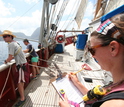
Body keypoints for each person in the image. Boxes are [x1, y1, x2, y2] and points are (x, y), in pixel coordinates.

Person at [59, 13, 124, 107]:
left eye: (92, 50)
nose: (92, 56)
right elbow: (97, 99)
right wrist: (77, 82)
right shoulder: (118, 84)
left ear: (113, 48)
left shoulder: (116, 104)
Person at [0, 30, 29, 107]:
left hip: (21, 65)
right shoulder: (16, 42)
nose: (4, 38)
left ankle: (23, 98)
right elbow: (15, 55)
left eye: (5, 36)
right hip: (24, 64)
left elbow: (10, 57)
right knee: (21, 82)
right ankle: (22, 95)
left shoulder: (11, 45)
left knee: (19, 83)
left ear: (10, 37)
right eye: (3, 37)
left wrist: (5, 61)